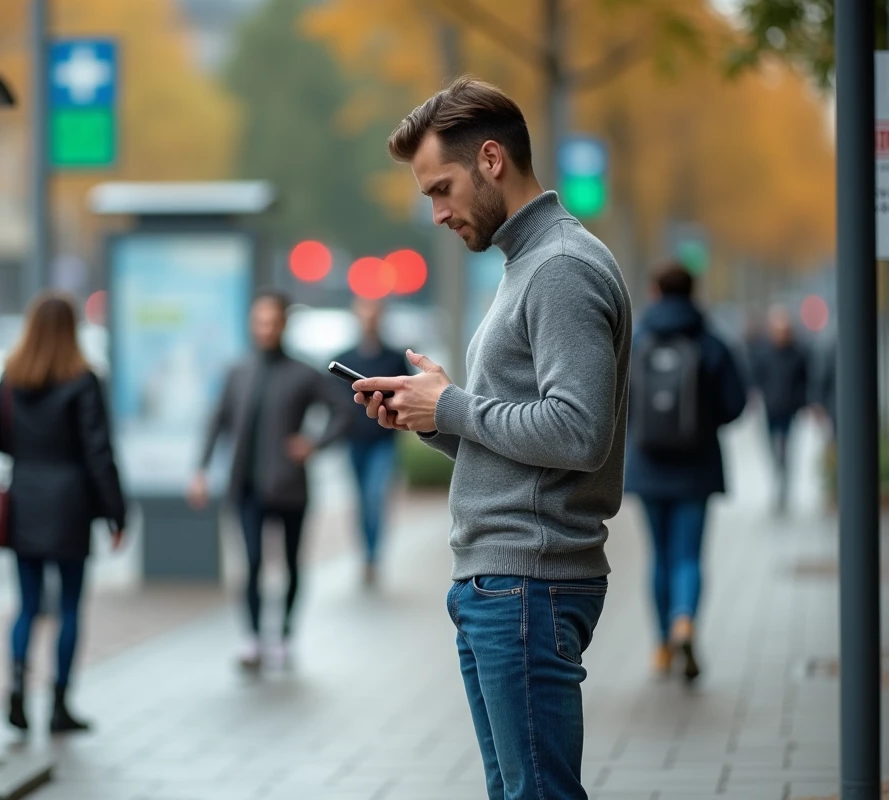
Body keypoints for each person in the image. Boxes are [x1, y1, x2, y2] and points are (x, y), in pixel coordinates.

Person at [351, 78, 631, 799]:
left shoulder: (560, 268)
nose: (438, 213)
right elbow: (526, 438)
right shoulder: (526, 265)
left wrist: (453, 407)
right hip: (506, 582)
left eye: (442, 189)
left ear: (492, 159)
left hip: (527, 583)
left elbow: (578, 433)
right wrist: (434, 416)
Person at [188, 289, 351, 672]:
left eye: (273, 322)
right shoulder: (238, 371)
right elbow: (217, 421)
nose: (266, 329)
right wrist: (200, 469)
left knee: (292, 565)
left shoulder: (303, 372)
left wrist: (314, 443)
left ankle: (286, 635)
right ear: (251, 324)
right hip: (245, 487)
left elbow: (343, 411)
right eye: (260, 322)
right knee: (253, 564)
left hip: (290, 487)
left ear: (284, 324)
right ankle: (253, 639)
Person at [0, 292, 126, 734]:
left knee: (27, 605)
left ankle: (15, 689)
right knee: (69, 606)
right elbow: (98, 450)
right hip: (70, 500)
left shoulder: (11, 377)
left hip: (25, 496)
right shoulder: (83, 379)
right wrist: (116, 511)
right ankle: (59, 705)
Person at [624, 264, 746, 683]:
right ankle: (685, 621)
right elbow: (735, 405)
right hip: (697, 467)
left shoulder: (637, 340)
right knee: (688, 555)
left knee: (658, 555)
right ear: (694, 292)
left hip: (647, 466)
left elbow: (617, 402)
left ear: (655, 291)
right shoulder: (711, 342)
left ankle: (661, 644)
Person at [331, 299, 410, 586]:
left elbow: (407, 395)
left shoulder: (393, 357)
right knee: (361, 500)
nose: (369, 321)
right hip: (354, 442)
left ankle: (373, 557)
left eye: (374, 315)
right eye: (364, 315)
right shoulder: (344, 358)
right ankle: (365, 553)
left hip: (383, 441)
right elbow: (334, 402)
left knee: (375, 496)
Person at [749, 305, 809, 514]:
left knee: (785, 448)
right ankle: (778, 477)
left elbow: (804, 380)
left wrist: (804, 403)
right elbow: (756, 377)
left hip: (789, 410)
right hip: (771, 409)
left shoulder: (798, 353)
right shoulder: (764, 353)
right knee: (772, 449)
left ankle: (783, 484)